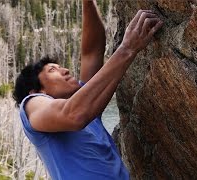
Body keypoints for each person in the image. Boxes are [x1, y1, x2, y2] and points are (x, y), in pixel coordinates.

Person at [13, 1, 163, 179]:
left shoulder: (87, 106)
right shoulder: (32, 105)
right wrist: (127, 49)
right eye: (52, 70)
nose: (66, 70)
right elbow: (74, 114)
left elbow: (92, 52)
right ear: (37, 91)